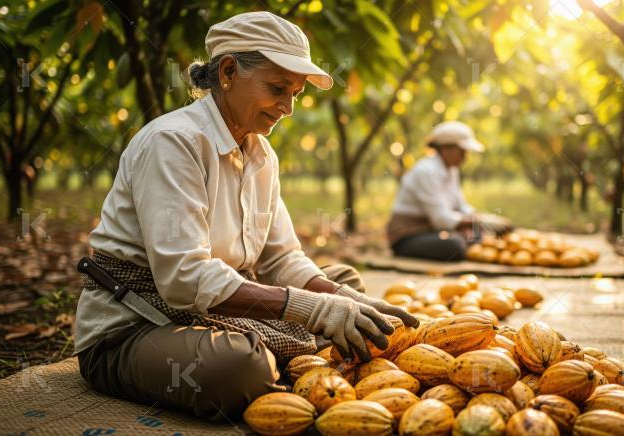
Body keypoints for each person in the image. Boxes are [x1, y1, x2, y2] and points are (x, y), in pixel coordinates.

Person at [73, 12, 417, 421]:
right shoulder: (173, 143)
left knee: (343, 281)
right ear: (229, 72)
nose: (288, 108)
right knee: (239, 369)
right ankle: (273, 363)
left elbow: (280, 260)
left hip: (216, 309)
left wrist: (343, 300)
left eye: (296, 93)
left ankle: (289, 355)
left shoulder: (261, 155)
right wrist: (314, 310)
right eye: (277, 89)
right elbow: (182, 278)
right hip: (137, 325)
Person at [387, 121, 513, 262]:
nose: (465, 156)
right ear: (446, 149)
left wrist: (483, 220)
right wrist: (480, 221)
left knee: (477, 235)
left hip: (434, 231)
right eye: (462, 151)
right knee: (454, 245)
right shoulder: (426, 171)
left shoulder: (452, 171)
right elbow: (441, 219)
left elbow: (461, 206)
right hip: (409, 236)